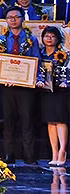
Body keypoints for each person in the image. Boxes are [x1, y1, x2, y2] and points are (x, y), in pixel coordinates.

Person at [0, 5, 44, 164]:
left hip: (26, 88)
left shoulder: (31, 39)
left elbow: (37, 61)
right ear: (6, 21)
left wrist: (37, 78)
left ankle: (29, 155)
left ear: (22, 19)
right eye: (10, 17)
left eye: (16, 17)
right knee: (8, 121)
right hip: (7, 87)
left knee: (27, 121)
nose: (13, 19)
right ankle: (9, 155)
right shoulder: (1, 40)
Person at [39, 26, 68, 166]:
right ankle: (54, 152)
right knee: (50, 122)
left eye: (52, 36)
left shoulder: (64, 54)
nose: (49, 39)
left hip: (60, 91)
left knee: (60, 121)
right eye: (46, 36)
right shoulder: (39, 53)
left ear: (57, 39)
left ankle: (63, 151)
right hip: (45, 91)